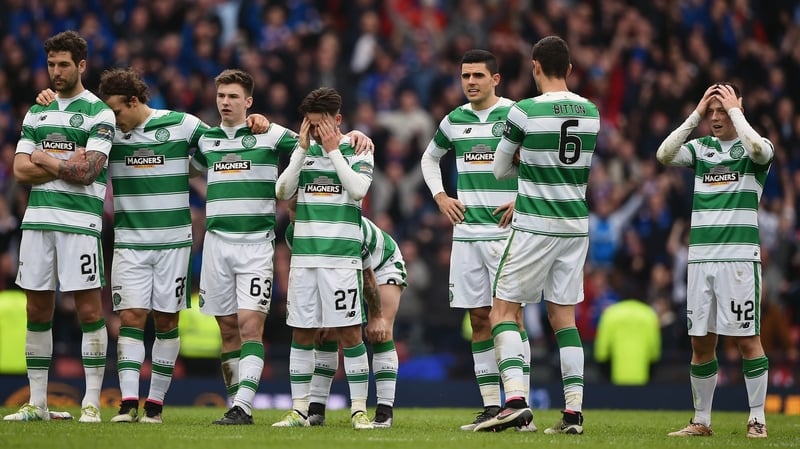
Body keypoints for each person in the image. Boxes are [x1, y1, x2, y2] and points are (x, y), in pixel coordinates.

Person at [34, 69, 269, 424]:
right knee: (130, 317)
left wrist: (257, 121)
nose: (111, 121)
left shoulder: (182, 125)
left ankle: (155, 407)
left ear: (133, 101)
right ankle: (129, 403)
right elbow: (75, 145)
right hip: (130, 242)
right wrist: (50, 100)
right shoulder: (108, 134)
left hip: (174, 242)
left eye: (115, 112)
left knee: (166, 321)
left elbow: (225, 144)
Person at [475, 35, 600, 434]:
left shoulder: (524, 111)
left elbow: (498, 170)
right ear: (569, 69)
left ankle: (513, 401)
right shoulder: (591, 111)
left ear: (534, 67)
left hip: (535, 223)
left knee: (503, 312)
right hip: (575, 224)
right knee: (564, 318)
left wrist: (524, 163)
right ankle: (573, 414)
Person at [4, 30, 115, 423]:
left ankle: (90, 402)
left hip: (80, 223)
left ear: (81, 65)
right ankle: (38, 403)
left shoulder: (100, 113)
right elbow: (18, 171)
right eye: (51, 64)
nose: (56, 71)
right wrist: (65, 161)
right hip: (37, 223)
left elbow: (87, 172)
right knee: (37, 308)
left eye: (64, 64)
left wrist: (45, 159)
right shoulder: (37, 111)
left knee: (88, 309)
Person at [420, 49, 528, 431]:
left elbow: (539, 161)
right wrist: (440, 196)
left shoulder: (516, 115)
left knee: (512, 317)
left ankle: (521, 406)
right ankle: (490, 405)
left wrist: (523, 197)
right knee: (479, 319)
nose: (470, 82)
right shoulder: (454, 120)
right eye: (465, 75)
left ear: (495, 79)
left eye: (478, 75)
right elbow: (429, 159)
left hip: (506, 234)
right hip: (466, 234)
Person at [657, 82, 773, 439]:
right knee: (701, 342)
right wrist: (695, 113)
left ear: (738, 108)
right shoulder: (701, 149)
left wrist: (736, 110)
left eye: (723, 111)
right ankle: (701, 421)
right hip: (701, 261)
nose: (717, 118)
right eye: (714, 112)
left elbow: (759, 149)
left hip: (738, 260)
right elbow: (664, 155)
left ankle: (757, 419)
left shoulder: (755, 150)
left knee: (747, 338)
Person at [190, 69, 297, 425]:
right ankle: (235, 403)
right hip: (216, 245)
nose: (225, 102)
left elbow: (308, 145)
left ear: (248, 101)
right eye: (221, 96)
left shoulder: (268, 134)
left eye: (233, 96)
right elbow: (182, 166)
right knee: (227, 329)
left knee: (251, 325)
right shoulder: (207, 140)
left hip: (255, 245)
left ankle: (244, 407)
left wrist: (354, 136)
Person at [273, 87, 375, 430]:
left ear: (338, 120)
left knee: (349, 335)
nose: (317, 132)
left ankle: (359, 409)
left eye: (322, 125)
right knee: (301, 334)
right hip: (304, 261)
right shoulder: (303, 151)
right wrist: (302, 150)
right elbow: (283, 192)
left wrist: (334, 152)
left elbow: (358, 190)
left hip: (342, 261)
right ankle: (299, 410)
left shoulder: (358, 148)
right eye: (311, 125)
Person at [296, 213, 406, 428]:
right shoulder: (297, 233)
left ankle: (384, 412)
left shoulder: (349, 230)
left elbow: (367, 276)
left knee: (380, 332)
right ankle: (316, 411)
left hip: (382, 265)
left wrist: (376, 316)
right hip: (339, 271)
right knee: (325, 333)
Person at [594, 296, 661, 385]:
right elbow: (654, 352)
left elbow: (601, 352)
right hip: (642, 378)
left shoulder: (611, 314)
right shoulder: (649, 314)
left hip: (615, 379)